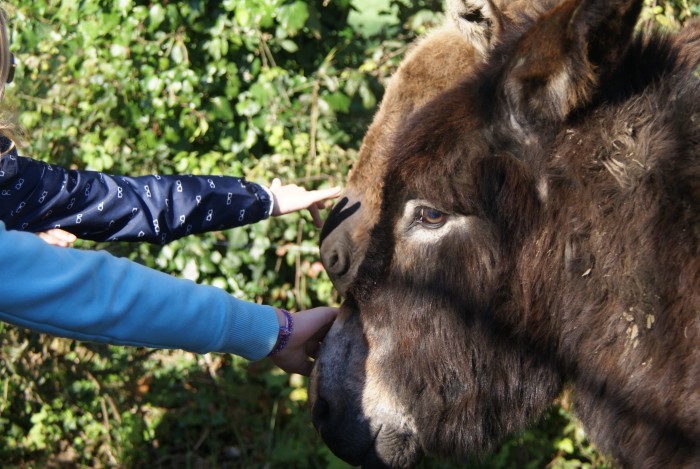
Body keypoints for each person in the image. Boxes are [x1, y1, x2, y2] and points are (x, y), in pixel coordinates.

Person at [0, 10, 339, 376]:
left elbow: (138, 203)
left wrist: (261, 199)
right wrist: (273, 331)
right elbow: (99, 291)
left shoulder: (11, 181)